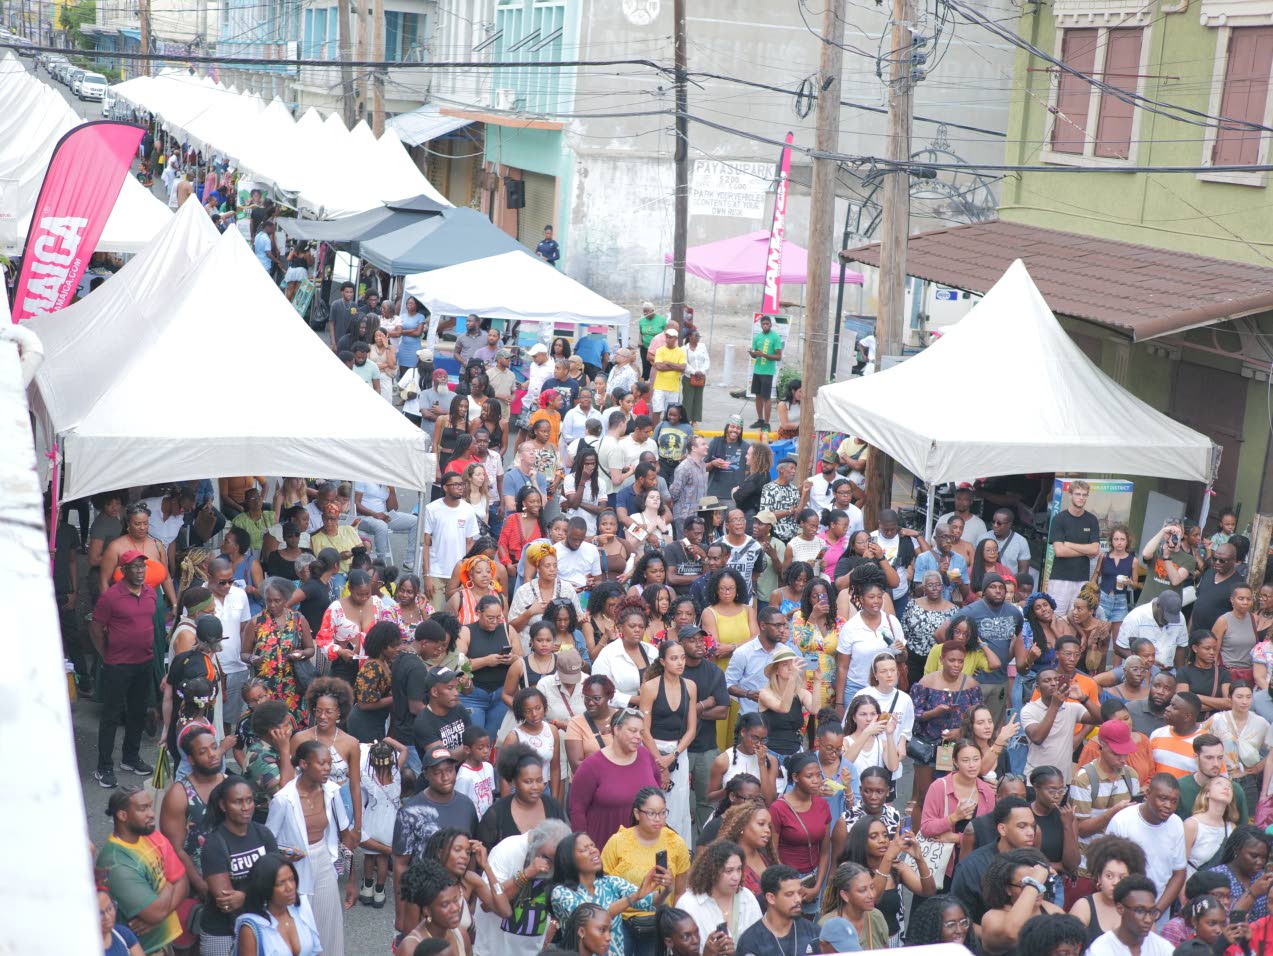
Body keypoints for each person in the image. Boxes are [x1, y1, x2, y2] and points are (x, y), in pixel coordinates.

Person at [263, 739, 355, 953]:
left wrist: (351, 880)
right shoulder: (283, 799)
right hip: (293, 870)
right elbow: (268, 842)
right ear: (304, 764)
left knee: (329, 925)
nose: (327, 768)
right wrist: (284, 853)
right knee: (299, 927)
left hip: (324, 861)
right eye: (321, 763)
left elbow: (346, 836)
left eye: (329, 763)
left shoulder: (332, 792)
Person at [91, 550, 159, 788]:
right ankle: (104, 767)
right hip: (118, 665)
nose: (140, 571)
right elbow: (96, 628)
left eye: (143, 567)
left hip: (144, 662)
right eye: (135, 567)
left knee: (137, 713)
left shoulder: (151, 593)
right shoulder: (111, 597)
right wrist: (105, 655)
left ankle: (130, 758)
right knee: (111, 716)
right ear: (123, 571)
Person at [96, 787, 189, 955]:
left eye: (150, 806)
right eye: (143, 808)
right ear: (122, 815)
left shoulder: (152, 835)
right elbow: (155, 913)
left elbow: (184, 882)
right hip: (144, 949)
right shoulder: (116, 862)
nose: (152, 814)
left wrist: (160, 916)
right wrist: (169, 885)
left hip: (167, 941)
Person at [600, 788, 690, 956]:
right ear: (637, 813)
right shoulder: (618, 842)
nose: (658, 818)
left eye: (662, 813)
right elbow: (604, 890)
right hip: (622, 921)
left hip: (659, 922)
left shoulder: (676, 843)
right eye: (651, 813)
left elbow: (680, 892)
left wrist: (674, 924)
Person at [548, 832, 667, 956]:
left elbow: (648, 902)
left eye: (593, 846)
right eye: (584, 849)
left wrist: (667, 888)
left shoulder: (611, 882)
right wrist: (635, 896)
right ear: (569, 859)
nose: (593, 850)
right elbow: (592, 920)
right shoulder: (561, 893)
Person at [198, 776, 280, 954]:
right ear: (223, 805)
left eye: (249, 800)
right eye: (238, 802)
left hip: (262, 924)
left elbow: (280, 880)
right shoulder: (214, 844)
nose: (246, 807)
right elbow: (227, 903)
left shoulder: (263, 834)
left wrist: (244, 896)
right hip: (223, 932)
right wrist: (265, 892)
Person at [570, 710, 663, 850]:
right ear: (616, 729)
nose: (638, 737)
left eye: (641, 732)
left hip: (646, 845)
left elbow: (657, 787)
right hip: (606, 847)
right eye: (632, 731)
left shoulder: (645, 755)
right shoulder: (592, 765)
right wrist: (583, 846)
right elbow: (577, 810)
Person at [1107, 773, 1187, 925]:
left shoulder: (1176, 824)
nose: (1168, 806)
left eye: (1174, 801)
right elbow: (1108, 871)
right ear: (1147, 794)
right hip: (1122, 910)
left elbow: (1179, 874)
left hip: (1158, 911)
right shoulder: (1122, 821)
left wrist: (1156, 912)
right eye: (1163, 798)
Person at [946, 795, 1037, 921]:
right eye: (1022, 826)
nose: (1031, 832)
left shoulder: (1036, 863)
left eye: (1032, 826)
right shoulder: (971, 868)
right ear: (1002, 829)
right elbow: (961, 919)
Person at [232, 854, 322, 956]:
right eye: (280, 884)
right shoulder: (251, 928)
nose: (290, 887)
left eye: (291, 879)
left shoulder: (302, 909)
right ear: (265, 887)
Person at [980, 849, 1064, 956]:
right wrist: (1034, 883)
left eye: (1041, 882)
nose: (1039, 890)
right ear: (1008, 889)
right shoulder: (992, 918)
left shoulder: (1052, 910)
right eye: (1026, 884)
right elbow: (1013, 933)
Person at [1022, 669, 1101, 782]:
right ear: (1038, 689)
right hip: (1037, 780)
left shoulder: (1071, 708)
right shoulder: (1029, 710)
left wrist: (1083, 698)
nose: (1053, 683)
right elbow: (1037, 738)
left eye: (1056, 679)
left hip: (1063, 780)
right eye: (1047, 681)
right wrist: (1055, 706)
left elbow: (1100, 719)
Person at [1071, 836, 1150, 948]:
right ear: (1099, 877)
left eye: (1122, 878)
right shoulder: (1083, 907)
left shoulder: (1142, 912)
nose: (1115, 882)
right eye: (1109, 876)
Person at [423, 472, 482, 611]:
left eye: (461, 484)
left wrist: (469, 572)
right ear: (445, 487)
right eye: (455, 484)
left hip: (459, 573)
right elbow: (425, 544)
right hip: (436, 572)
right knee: (433, 615)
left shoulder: (468, 509)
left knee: (457, 614)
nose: (460, 487)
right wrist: (427, 576)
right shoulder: (432, 509)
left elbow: (470, 543)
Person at [733, 864, 819, 956]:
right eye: (789, 894)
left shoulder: (814, 933)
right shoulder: (750, 942)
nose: (798, 899)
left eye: (799, 893)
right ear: (771, 898)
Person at [1047, 479, 1102, 615]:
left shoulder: (1092, 520)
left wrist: (1069, 544)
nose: (1081, 498)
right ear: (1070, 495)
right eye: (1077, 494)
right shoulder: (1059, 519)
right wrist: (1086, 550)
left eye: (1084, 495)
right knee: (1056, 617)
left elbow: (1095, 550)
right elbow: (1059, 551)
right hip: (1060, 578)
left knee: (1077, 619)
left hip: (1082, 579)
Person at [1088, 874, 1176, 956]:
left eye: (1152, 911)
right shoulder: (1100, 950)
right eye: (1140, 911)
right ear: (1120, 908)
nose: (1148, 919)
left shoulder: (1164, 949)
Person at [1176, 733, 1250, 822]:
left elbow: (1242, 828)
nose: (1216, 764)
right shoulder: (1179, 788)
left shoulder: (1232, 790)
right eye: (1209, 757)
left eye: (1220, 758)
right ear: (1196, 757)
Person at [1149, 691, 1208, 779]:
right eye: (1170, 704)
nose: (1167, 708)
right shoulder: (1157, 734)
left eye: (1174, 707)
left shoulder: (1206, 743)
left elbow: (1217, 780)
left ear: (1187, 716)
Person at [747, 315, 783, 431]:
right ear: (761, 325)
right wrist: (752, 353)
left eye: (767, 323)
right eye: (764, 324)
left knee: (767, 398)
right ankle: (760, 420)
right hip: (757, 370)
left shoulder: (775, 337)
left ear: (771, 324)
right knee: (758, 396)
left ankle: (767, 423)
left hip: (768, 372)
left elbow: (778, 356)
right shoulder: (757, 337)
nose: (766, 325)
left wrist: (764, 355)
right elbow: (755, 354)